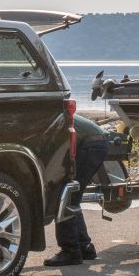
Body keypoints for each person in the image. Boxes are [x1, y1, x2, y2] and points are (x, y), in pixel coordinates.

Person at [44, 113, 110, 266]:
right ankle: (85, 247)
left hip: (90, 144)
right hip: (97, 142)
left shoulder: (46, 119)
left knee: (64, 196)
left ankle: (70, 251)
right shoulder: (53, 112)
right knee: (73, 197)